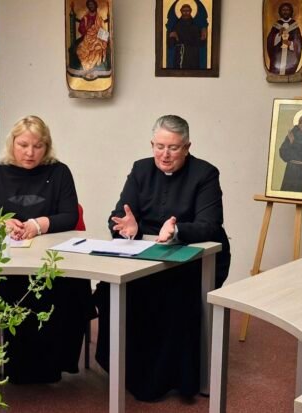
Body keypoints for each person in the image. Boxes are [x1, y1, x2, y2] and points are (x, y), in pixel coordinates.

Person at [94, 114, 231, 402]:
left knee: (173, 297)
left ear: (187, 147)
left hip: (192, 258)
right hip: (144, 256)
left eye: (173, 148)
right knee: (110, 290)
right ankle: (124, 370)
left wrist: (177, 230)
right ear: (152, 144)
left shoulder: (205, 173)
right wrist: (128, 228)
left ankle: (170, 378)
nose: (164, 155)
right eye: (159, 146)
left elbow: (210, 225)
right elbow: (120, 215)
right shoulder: (140, 169)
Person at [0, 115, 93, 384]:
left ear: (46, 146)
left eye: (38, 146)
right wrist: (1, 223)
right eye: (23, 145)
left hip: (52, 256)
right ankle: (17, 364)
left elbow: (70, 216)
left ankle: (57, 363)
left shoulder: (59, 172)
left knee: (70, 287)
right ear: (12, 143)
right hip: (12, 257)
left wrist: (38, 225)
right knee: (16, 291)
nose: (30, 153)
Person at [166, 0, 209, 69]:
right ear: (181, 11)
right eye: (184, 11)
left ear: (191, 11)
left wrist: (203, 38)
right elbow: (170, 45)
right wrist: (172, 38)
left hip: (192, 56)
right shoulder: (177, 25)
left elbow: (200, 43)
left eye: (187, 11)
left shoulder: (195, 26)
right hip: (180, 55)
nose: (186, 13)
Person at [266, 2, 302, 76]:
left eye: (287, 10)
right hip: (277, 56)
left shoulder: (294, 25)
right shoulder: (277, 24)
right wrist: (278, 35)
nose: (285, 12)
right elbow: (270, 41)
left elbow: (299, 41)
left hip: (290, 57)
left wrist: (291, 44)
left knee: (289, 72)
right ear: (280, 12)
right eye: (283, 10)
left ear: (291, 11)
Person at [75, 0, 109, 72]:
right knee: (81, 50)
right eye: (89, 5)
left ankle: (94, 68)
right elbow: (80, 29)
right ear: (88, 6)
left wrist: (104, 40)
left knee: (98, 47)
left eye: (92, 4)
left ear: (95, 5)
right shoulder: (85, 18)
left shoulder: (99, 18)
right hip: (87, 38)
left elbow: (103, 30)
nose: (91, 6)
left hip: (97, 37)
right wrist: (87, 28)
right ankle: (87, 68)